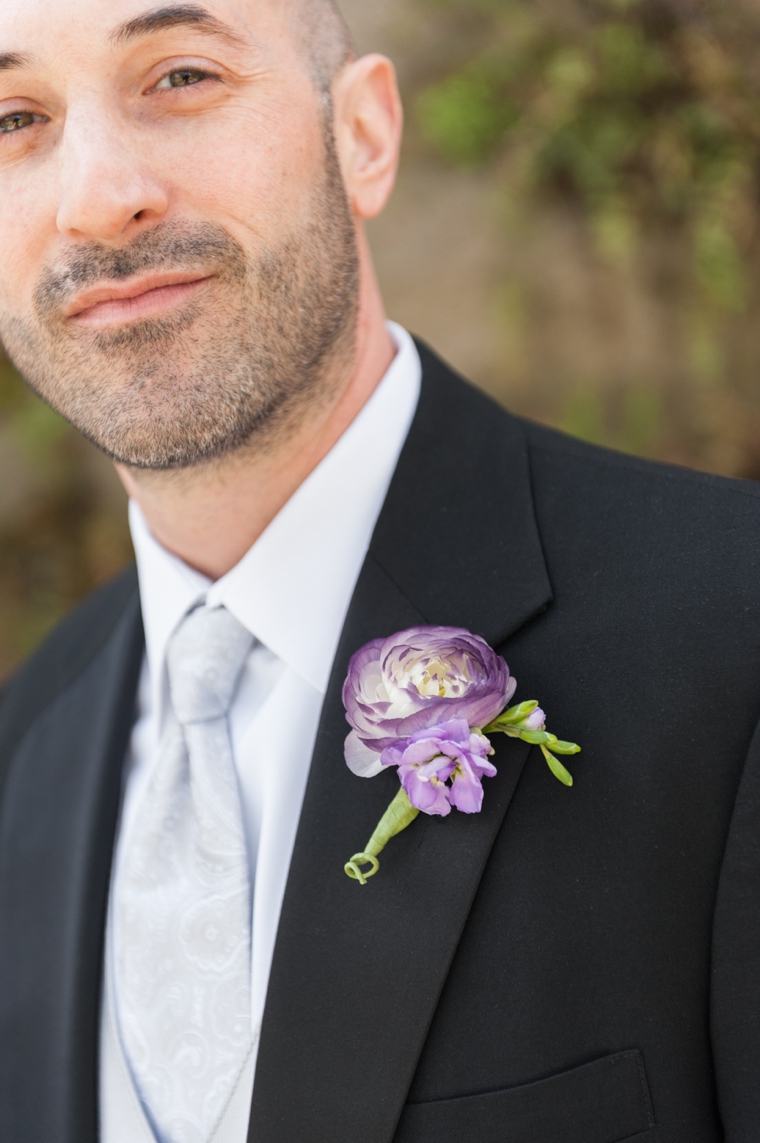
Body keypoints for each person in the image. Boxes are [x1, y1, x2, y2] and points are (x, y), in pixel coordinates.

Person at [0, 0, 759, 1140]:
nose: (100, 198)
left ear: (360, 134)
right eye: (13, 116)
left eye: (182, 76)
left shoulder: (731, 630)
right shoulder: (25, 743)